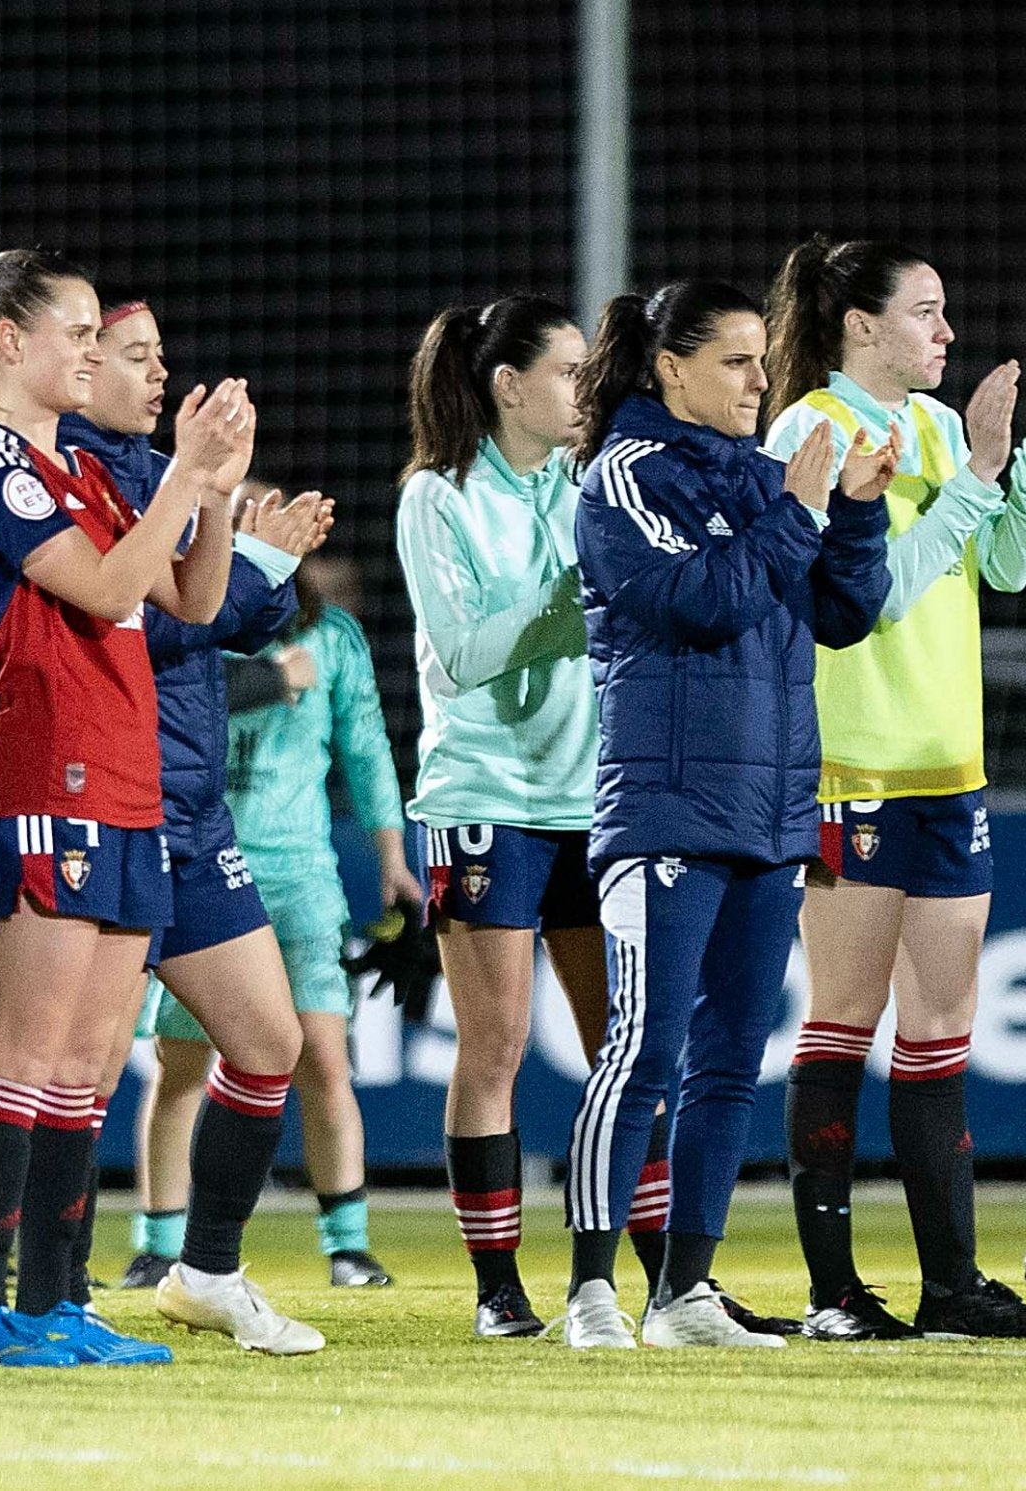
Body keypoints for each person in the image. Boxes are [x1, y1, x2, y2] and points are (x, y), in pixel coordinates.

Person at [0, 248, 251, 1371]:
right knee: (26, 1049)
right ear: (11, 342)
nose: (95, 351)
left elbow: (189, 602)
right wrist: (177, 482)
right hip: (41, 779)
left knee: (87, 1060)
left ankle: (56, 1304)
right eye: (78, 332)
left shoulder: (93, 478)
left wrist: (215, 489)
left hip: (124, 784)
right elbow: (107, 591)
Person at [760, 237, 1026, 1343]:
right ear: (860, 325)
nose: (945, 332)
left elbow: (999, 566)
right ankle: (831, 1293)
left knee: (943, 1025)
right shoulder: (809, 431)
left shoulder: (939, 428)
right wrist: (974, 477)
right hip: (853, 767)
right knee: (841, 1023)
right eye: (925, 311)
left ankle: (950, 1288)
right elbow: (871, 598)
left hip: (951, 767)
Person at [560, 280, 892, 1352]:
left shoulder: (763, 479)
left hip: (768, 808)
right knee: (641, 1052)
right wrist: (797, 512)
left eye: (762, 361)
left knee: (726, 1061)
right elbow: (700, 602)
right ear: (669, 369)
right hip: (663, 809)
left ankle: (684, 1295)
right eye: (738, 362)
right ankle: (588, 1294)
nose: (762, 381)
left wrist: (854, 513)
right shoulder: (622, 475)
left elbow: (843, 613)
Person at [60, 297, 330, 1354]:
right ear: (77, 370)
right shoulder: (75, 475)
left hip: (191, 814)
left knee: (270, 1043)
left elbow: (209, 620)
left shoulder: (150, 471)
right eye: (135, 357)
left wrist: (241, 537)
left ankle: (207, 1272)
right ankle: (47, 1287)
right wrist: (215, 515)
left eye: (160, 355)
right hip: (111, 808)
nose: (157, 374)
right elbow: (139, 629)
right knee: (71, 1072)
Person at [394, 296, 606, 1338]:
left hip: (599, 799)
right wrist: (573, 598)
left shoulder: (592, 485)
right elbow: (467, 655)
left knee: (626, 1044)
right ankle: (498, 1293)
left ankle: (635, 1280)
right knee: (496, 1047)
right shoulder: (437, 499)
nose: (584, 389)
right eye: (567, 371)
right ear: (508, 386)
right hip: (486, 799)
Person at [204, 548, 415, 1292]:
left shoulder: (334, 640)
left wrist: (392, 858)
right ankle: (159, 1243)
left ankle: (348, 1245)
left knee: (323, 1059)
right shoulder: (191, 623)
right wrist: (266, 681)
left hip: (301, 877)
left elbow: (367, 751)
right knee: (176, 1068)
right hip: (205, 868)